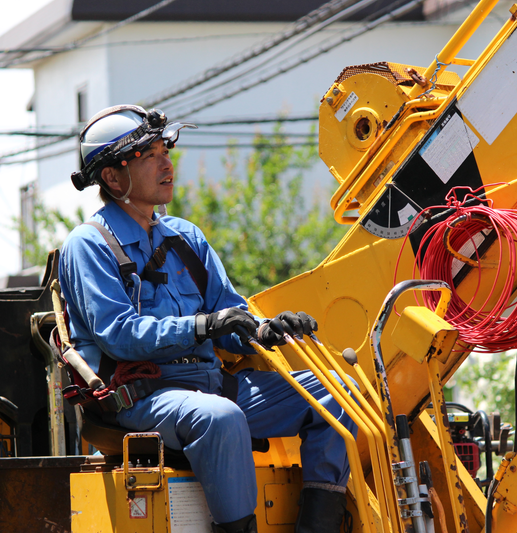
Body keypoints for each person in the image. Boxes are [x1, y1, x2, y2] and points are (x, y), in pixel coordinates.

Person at [59, 105, 357, 533]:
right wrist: (203, 326)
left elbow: (230, 316)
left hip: (213, 387)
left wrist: (264, 330)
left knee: (337, 390)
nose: (167, 163)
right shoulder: (88, 246)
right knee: (220, 417)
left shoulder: (186, 238)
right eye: (149, 155)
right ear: (112, 177)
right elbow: (119, 335)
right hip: (144, 398)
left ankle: (319, 525)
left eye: (166, 150)